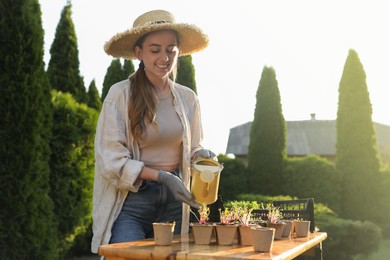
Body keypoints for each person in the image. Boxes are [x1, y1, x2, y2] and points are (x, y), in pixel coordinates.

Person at [91, 9, 216, 253]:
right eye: (155, 49)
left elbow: (194, 146)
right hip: (132, 202)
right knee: (125, 257)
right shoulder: (120, 95)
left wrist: (201, 156)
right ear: (139, 52)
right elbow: (111, 161)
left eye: (171, 49)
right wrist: (162, 177)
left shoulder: (188, 98)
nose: (165, 57)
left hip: (174, 202)